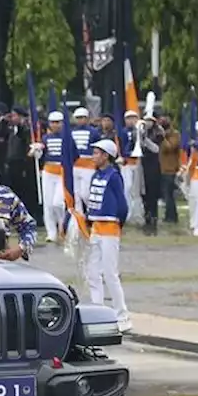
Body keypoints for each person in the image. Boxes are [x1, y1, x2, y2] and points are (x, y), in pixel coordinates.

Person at [84, 139, 131, 331]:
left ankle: (122, 315)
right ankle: (98, 311)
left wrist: (119, 222)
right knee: (92, 272)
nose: (94, 156)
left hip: (110, 229)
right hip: (95, 227)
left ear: (106, 155)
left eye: (97, 153)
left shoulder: (113, 176)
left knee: (110, 273)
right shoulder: (96, 175)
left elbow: (122, 204)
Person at [30, 111, 66, 244]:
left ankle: (63, 227)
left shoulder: (67, 137)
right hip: (48, 172)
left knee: (58, 203)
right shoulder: (45, 138)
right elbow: (38, 157)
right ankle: (51, 233)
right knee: (48, 204)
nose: (55, 125)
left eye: (58, 122)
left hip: (62, 172)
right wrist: (36, 151)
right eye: (53, 123)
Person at [68, 107, 101, 212]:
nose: (80, 120)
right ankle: (79, 221)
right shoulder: (71, 132)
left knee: (86, 194)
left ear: (87, 118)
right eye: (78, 118)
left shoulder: (94, 132)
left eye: (82, 117)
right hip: (76, 165)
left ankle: (93, 213)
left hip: (89, 165)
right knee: (76, 195)